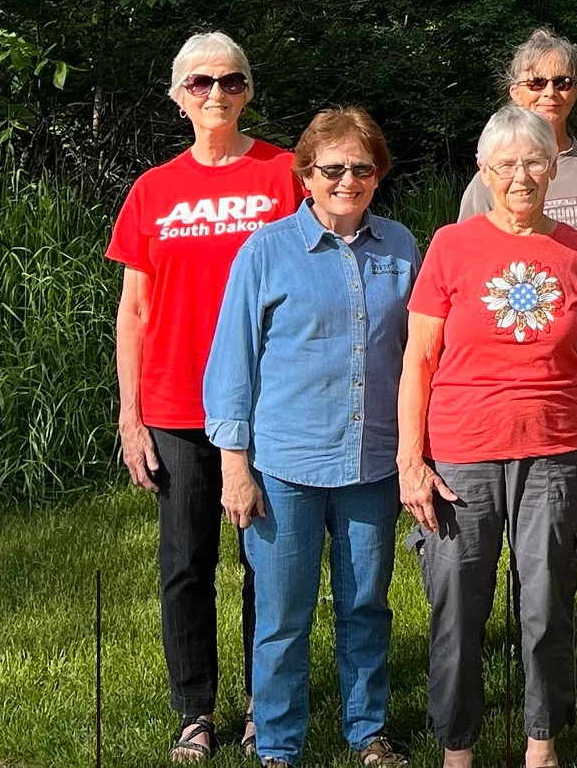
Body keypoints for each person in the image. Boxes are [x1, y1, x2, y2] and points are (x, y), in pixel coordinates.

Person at [400, 105, 577, 768]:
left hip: (560, 448)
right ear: (484, 172)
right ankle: (458, 745)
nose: (521, 175)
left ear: (554, 167)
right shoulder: (450, 245)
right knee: (457, 602)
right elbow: (417, 361)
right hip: (461, 452)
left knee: (547, 599)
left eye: (533, 161)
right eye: (506, 164)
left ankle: (541, 740)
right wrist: (410, 460)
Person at [108, 32, 302, 761]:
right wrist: (131, 414)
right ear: (176, 95)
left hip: (271, 402)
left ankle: (264, 700)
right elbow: (133, 310)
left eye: (231, 81)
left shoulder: (285, 172)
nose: (216, 94)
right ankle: (194, 708)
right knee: (187, 561)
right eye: (199, 83)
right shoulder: (152, 190)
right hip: (177, 405)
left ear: (249, 89)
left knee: (267, 560)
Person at [202, 108, 415, 768]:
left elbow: (423, 355)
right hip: (284, 467)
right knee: (283, 617)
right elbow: (231, 365)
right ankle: (278, 743)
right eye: (332, 168)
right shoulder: (265, 252)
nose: (346, 179)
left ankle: (368, 731)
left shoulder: (404, 246)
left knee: (365, 608)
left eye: (361, 167)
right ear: (306, 176)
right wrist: (234, 467)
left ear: (377, 175)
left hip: (373, 462)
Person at [458, 30, 577, 722]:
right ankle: (540, 654)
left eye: (562, 81)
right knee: (527, 520)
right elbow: (465, 278)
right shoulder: (487, 176)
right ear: (515, 91)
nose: (550, 93)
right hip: (516, 372)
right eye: (536, 82)